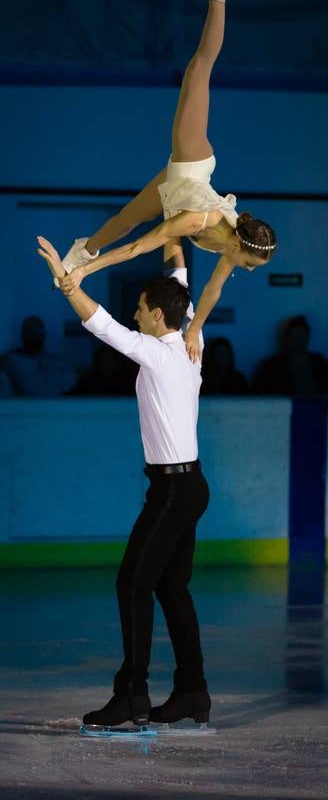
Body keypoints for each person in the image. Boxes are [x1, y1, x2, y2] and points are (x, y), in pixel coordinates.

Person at [50, 0, 276, 362]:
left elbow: (210, 291)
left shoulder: (230, 250)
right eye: (250, 264)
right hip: (190, 167)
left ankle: (86, 247)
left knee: (124, 219)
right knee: (199, 69)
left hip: (178, 187)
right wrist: (85, 276)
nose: (246, 269)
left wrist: (195, 331)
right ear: (241, 247)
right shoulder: (201, 221)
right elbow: (141, 248)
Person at [37, 232, 211, 728]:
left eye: (140, 306)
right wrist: (172, 224)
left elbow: (102, 325)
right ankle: (192, 691)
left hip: (173, 491)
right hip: (189, 486)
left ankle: (132, 695)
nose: (136, 312)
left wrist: (69, 284)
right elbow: (178, 274)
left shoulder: (157, 353)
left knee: (132, 584)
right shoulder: (191, 335)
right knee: (172, 589)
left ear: (158, 315)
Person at [252, 315, 328, 396]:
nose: (298, 340)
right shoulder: (271, 367)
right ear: (287, 339)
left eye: (302, 335)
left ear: (308, 337)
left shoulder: (320, 364)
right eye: (294, 336)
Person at [3, 315, 76, 397]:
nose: (33, 335)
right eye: (29, 331)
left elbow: (70, 383)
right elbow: (30, 386)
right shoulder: (14, 360)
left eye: (37, 331)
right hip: (30, 405)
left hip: (59, 403)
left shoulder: (57, 361)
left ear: (43, 334)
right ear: (23, 334)